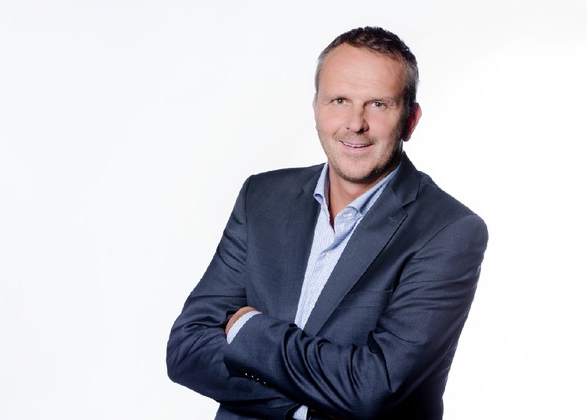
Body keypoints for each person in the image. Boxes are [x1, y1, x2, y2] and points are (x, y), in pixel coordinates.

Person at [167, 26, 488, 420]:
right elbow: (187, 348)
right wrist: (307, 404)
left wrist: (249, 329)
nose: (355, 123)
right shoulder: (262, 197)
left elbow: (373, 389)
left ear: (410, 119)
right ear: (316, 107)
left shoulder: (449, 230)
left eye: (378, 105)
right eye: (339, 100)